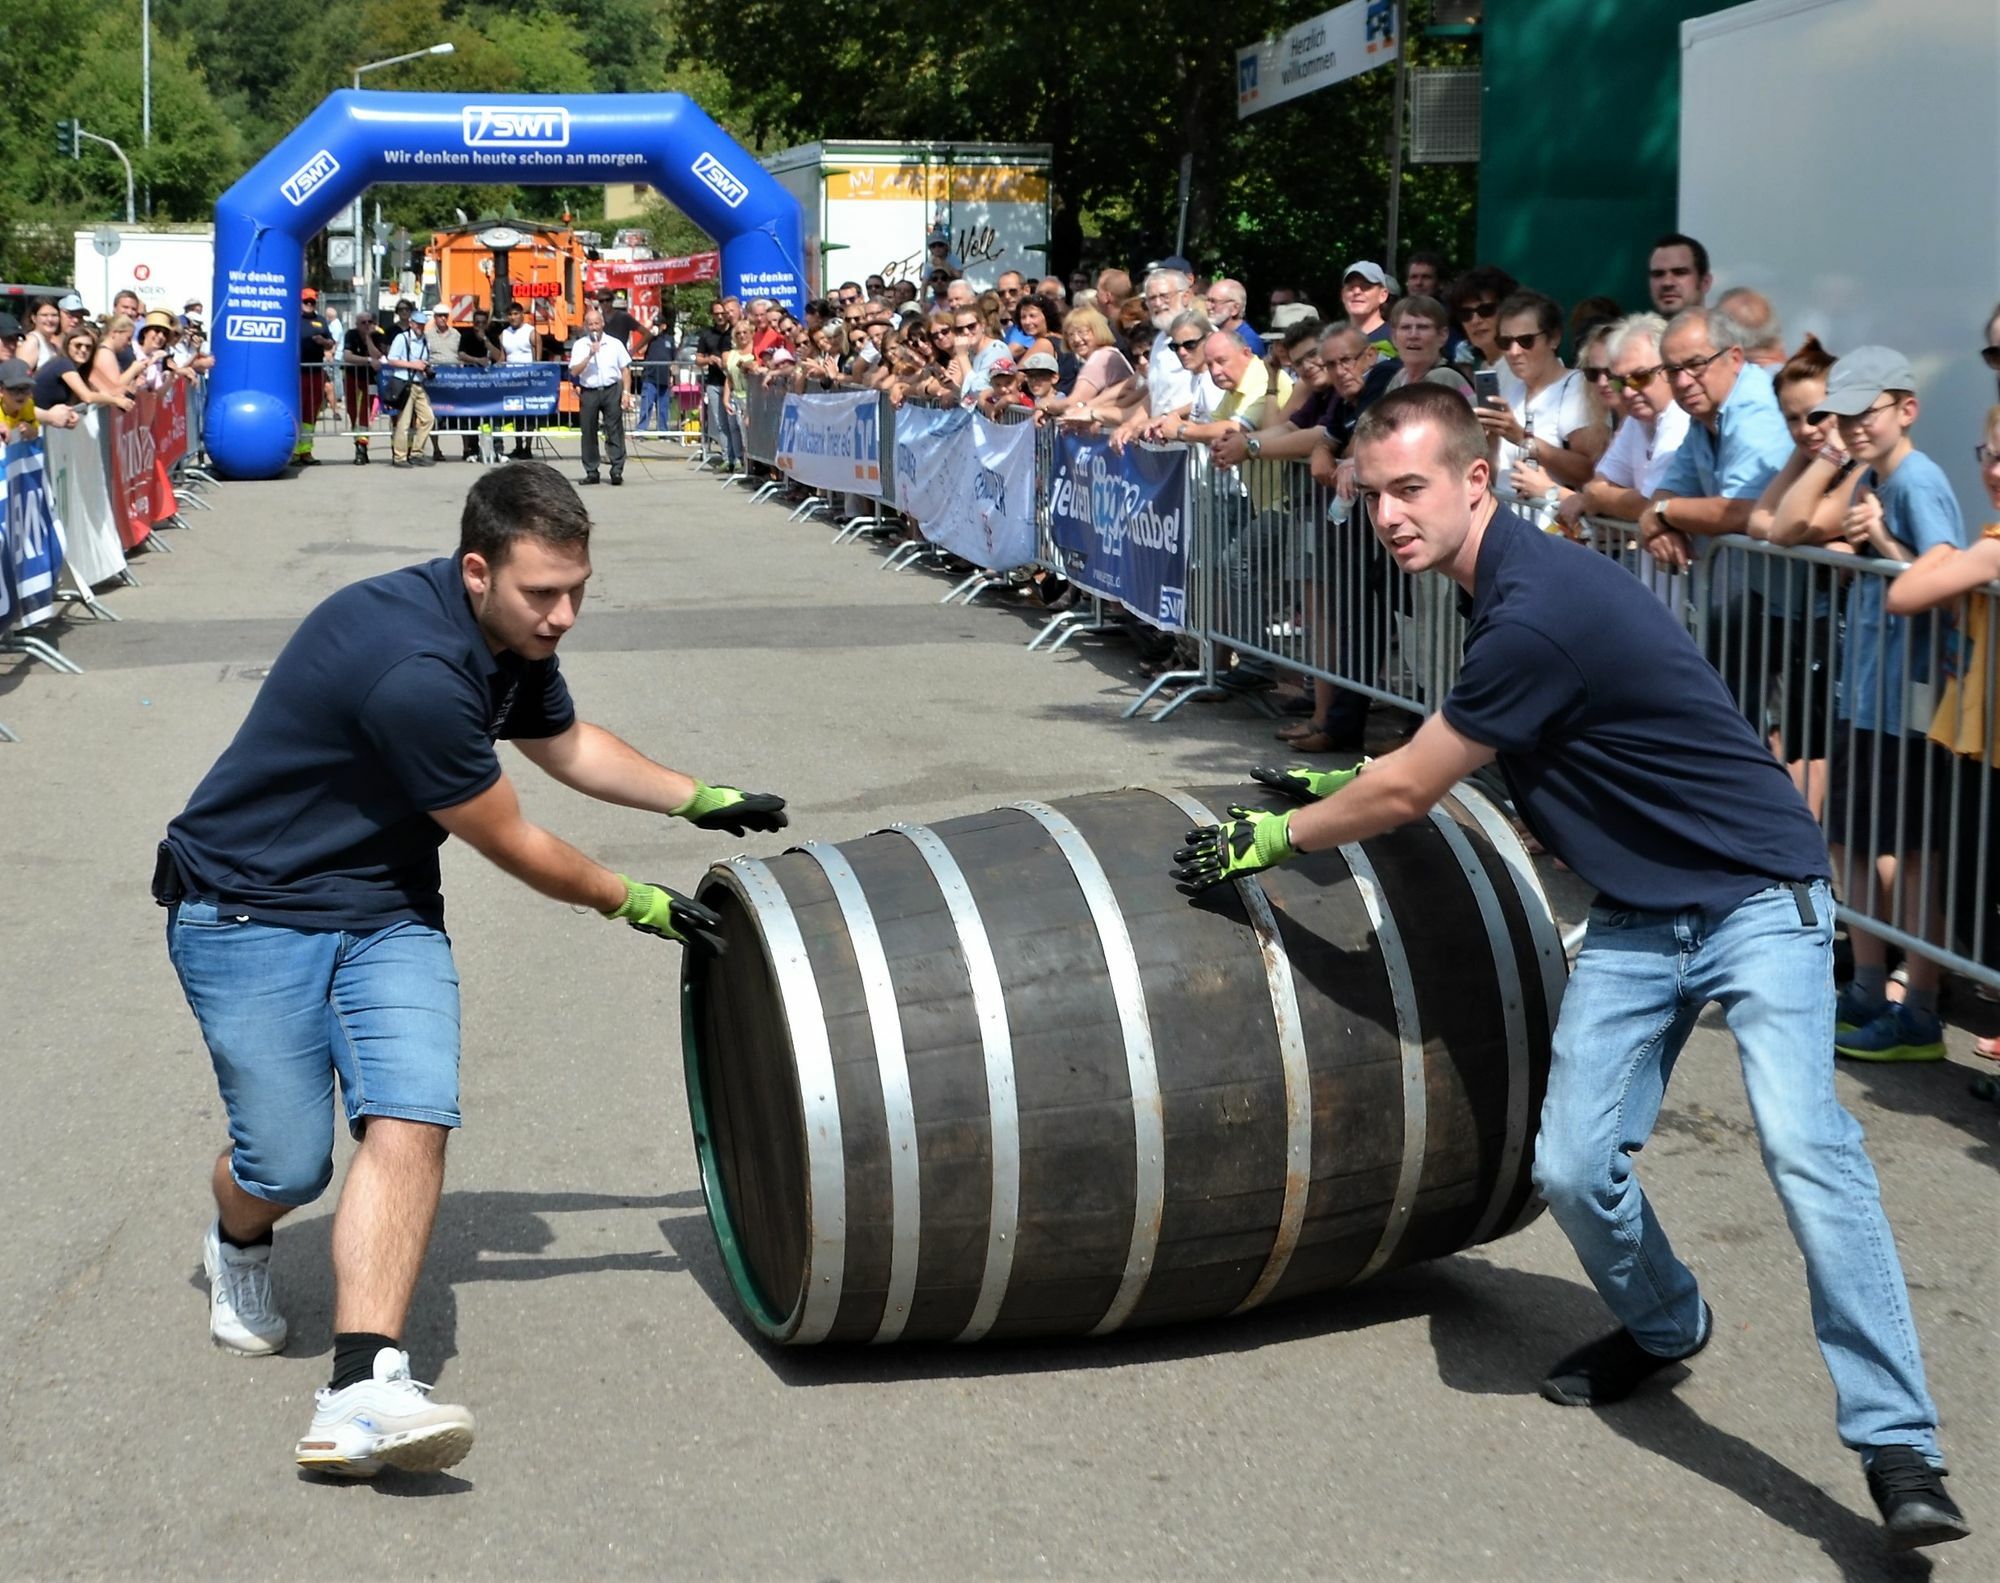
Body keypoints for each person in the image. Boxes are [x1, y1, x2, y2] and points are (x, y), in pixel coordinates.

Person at [1169, 382, 1972, 1554]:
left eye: (1410, 488)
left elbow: (1411, 787)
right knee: (1572, 1163)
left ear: (1475, 480)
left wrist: (1279, 835)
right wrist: (1353, 777)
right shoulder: (1508, 592)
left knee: (1806, 1146)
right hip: (1642, 911)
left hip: (1755, 900)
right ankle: (1664, 1319)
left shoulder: (1533, 608)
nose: (1387, 514)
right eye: (1374, 492)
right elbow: (1515, 740)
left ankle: (1898, 1444)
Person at [154, 463, 789, 1479]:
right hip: (247, 909)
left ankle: (363, 1384)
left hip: (386, 908)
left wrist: (696, 797)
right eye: (543, 593)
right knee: (287, 1167)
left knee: (411, 1113)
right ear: (476, 570)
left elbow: (565, 744)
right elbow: (512, 840)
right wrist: (633, 899)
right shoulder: (414, 670)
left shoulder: (509, 637)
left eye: (576, 590)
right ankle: (237, 1239)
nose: (563, 615)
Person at [1807, 348, 1972, 1063]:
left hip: (1906, 701)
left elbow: (1944, 572)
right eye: (1842, 417)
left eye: (1863, 414)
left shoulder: (1918, 478)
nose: (1852, 428)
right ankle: (1869, 989)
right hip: (1868, 693)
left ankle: (1920, 1008)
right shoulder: (1873, 475)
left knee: (1908, 857)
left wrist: (1878, 539)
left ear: (1906, 408)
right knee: (1850, 841)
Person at [1884, 405, 2000, 1062]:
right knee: (1968, 893)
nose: (1995, 470)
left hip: (1988, 743)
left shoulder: (1991, 547)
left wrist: (1949, 554)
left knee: (1972, 895)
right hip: (1981, 741)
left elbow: (1905, 595)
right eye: (1990, 454)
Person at [1474, 290, 1607, 526]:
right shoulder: (1512, 390)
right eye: (1505, 342)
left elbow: (1590, 471)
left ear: (1553, 338)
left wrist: (1522, 438)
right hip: (1512, 529)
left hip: (1559, 535)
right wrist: (1491, 437)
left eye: (1526, 340)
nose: (1514, 352)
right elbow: (1500, 477)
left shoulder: (1576, 387)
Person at [568, 305, 633, 487]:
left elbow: (625, 369)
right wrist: (589, 355)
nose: (594, 327)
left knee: (614, 429)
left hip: (611, 389)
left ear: (602, 323)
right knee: (588, 431)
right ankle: (591, 471)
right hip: (589, 390)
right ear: (586, 326)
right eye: (590, 324)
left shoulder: (615, 343)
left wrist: (626, 392)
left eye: (596, 323)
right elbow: (574, 371)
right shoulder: (580, 345)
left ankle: (617, 469)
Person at [383, 312, 434, 468]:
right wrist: (414, 365)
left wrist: (425, 368)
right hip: (404, 383)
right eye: (417, 324)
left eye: (423, 324)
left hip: (419, 383)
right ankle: (400, 457)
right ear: (411, 323)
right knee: (403, 423)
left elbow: (424, 360)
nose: (420, 327)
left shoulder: (425, 340)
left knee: (428, 419)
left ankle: (417, 453)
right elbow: (391, 359)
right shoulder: (401, 338)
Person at [298, 287, 335, 467]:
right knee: (295, 410)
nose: (309, 304)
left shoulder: (321, 320)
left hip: (315, 372)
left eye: (312, 301)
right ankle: (292, 452)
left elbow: (331, 344)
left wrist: (324, 342)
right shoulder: (293, 319)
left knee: (311, 412)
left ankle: (305, 451)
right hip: (296, 372)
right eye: (306, 301)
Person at [498, 301, 540, 459]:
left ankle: (527, 447)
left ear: (522, 315)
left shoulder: (531, 332)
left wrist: (535, 376)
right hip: (511, 380)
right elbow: (503, 357)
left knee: (529, 413)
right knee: (515, 413)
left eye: (516, 314)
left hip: (528, 380)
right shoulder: (504, 334)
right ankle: (518, 446)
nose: (513, 317)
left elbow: (538, 359)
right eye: (510, 314)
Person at [695, 298, 733, 466]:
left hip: (732, 383)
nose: (720, 317)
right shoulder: (707, 334)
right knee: (720, 423)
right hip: (714, 383)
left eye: (722, 313)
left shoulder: (734, 332)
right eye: (716, 314)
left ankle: (739, 457)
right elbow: (698, 359)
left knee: (734, 423)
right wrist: (709, 359)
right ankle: (727, 457)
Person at [421, 305, 461, 465]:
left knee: (461, 412)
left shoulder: (457, 334)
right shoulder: (427, 335)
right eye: (439, 315)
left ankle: (466, 448)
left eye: (445, 315)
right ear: (435, 317)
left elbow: (460, 354)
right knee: (434, 415)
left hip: (454, 380)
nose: (443, 318)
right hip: (434, 381)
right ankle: (436, 449)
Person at [1647, 233, 1712, 315]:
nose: (1667, 283)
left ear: (1705, 282)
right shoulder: (1634, 323)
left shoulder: (1724, 323)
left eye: (1680, 273)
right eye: (1658, 274)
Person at [1339, 262, 1396, 353]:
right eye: (1351, 287)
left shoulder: (1397, 339)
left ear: (1383, 295)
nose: (1356, 292)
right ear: (1343, 295)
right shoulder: (1332, 341)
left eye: (1365, 287)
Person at [1203, 279, 1266, 356]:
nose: (1208, 307)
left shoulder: (1248, 342)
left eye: (1214, 301)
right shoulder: (1213, 336)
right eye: (1207, 300)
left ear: (1235, 308)